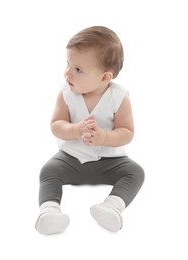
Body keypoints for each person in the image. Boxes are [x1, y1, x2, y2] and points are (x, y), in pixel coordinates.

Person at [35, 26, 145, 235]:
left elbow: (127, 132)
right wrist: (75, 130)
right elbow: (56, 125)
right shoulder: (66, 94)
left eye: (78, 70)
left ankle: (112, 206)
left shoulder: (119, 98)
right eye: (68, 63)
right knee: (48, 171)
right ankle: (49, 211)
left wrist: (104, 136)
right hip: (70, 158)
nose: (68, 72)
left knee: (135, 172)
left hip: (109, 162)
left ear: (104, 77)